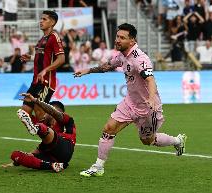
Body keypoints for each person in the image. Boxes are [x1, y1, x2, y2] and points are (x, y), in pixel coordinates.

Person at [73, 23, 187, 177]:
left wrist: (152, 98)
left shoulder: (140, 59)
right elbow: (108, 66)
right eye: (117, 36)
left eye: (122, 38)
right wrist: (87, 70)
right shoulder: (122, 55)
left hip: (148, 108)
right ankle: (98, 166)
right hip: (130, 103)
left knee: (147, 140)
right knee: (108, 128)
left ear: (132, 41)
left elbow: (150, 80)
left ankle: (177, 141)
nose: (117, 40)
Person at [2, 93, 76, 173]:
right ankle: (53, 166)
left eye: (48, 112)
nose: (47, 114)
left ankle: (36, 128)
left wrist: (35, 100)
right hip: (52, 157)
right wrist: (17, 161)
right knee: (15, 155)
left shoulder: (68, 121)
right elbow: (38, 150)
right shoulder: (45, 123)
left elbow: (53, 112)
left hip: (66, 147)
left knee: (43, 127)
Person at [20, 10, 65, 121]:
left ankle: (54, 133)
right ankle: (47, 131)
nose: (41, 21)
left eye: (44, 19)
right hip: (36, 81)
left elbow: (61, 59)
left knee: (39, 111)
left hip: (46, 82)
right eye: (41, 18)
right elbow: (43, 58)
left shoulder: (54, 37)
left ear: (52, 22)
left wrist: (46, 70)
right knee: (24, 113)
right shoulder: (42, 39)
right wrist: (30, 58)